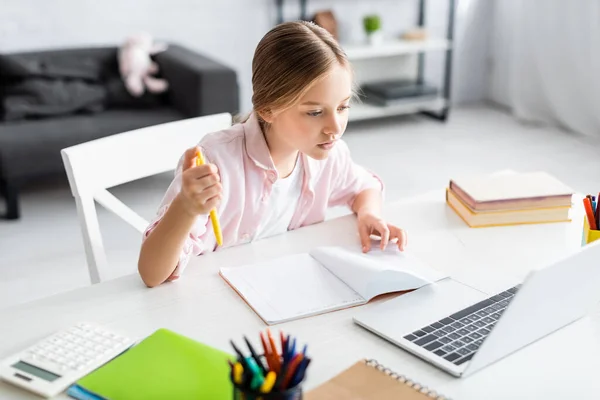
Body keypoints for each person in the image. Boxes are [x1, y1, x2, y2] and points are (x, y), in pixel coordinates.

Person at [138, 21, 407, 288]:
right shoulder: (216, 162)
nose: (335, 128)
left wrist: (369, 215)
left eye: (343, 107)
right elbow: (152, 274)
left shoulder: (328, 155)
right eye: (315, 112)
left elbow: (364, 186)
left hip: (287, 291)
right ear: (267, 109)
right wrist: (185, 207)